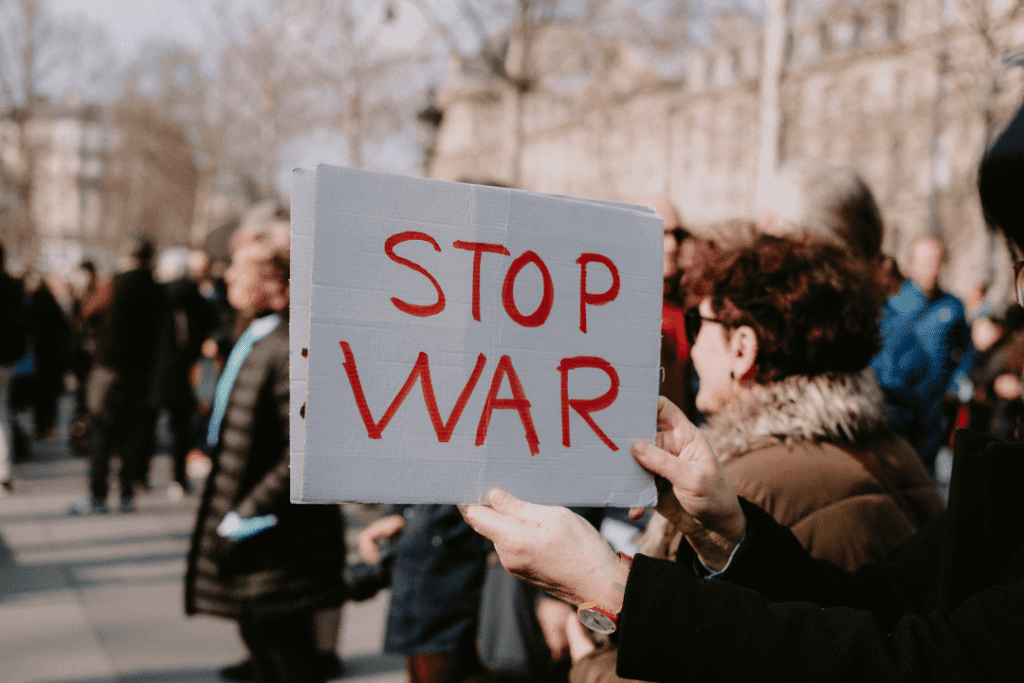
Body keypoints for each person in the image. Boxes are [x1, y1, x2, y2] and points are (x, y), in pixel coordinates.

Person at [460, 96, 1024, 681]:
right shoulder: (848, 451)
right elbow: (884, 604)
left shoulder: (772, 470)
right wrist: (728, 530)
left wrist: (611, 597)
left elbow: (906, 657)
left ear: (744, 347)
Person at [184, 213, 346, 683]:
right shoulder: (256, 334)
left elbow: (302, 447)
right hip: (250, 510)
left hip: (276, 529)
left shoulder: (288, 345)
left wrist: (247, 512)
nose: (229, 276)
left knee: (283, 643)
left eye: (241, 269)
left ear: (273, 282)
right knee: (262, 631)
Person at [756, 157, 942, 468]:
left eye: (776, 247)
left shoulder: (886, 351)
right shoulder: (779, 328)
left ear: (828, 255)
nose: (760, 268)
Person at [69, 238, 168, 515]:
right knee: (132, 435)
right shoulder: (157, 291)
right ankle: (126, 492)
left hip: (109, 368)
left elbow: (87, 312)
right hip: (142, 370)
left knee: (101, 431)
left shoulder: (114, 285)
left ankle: (98, 494)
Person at [0, 242, 29, 495]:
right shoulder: (12, 287)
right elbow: (21, 327)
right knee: (2, 416)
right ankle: (4, 470)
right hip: (4, 361)